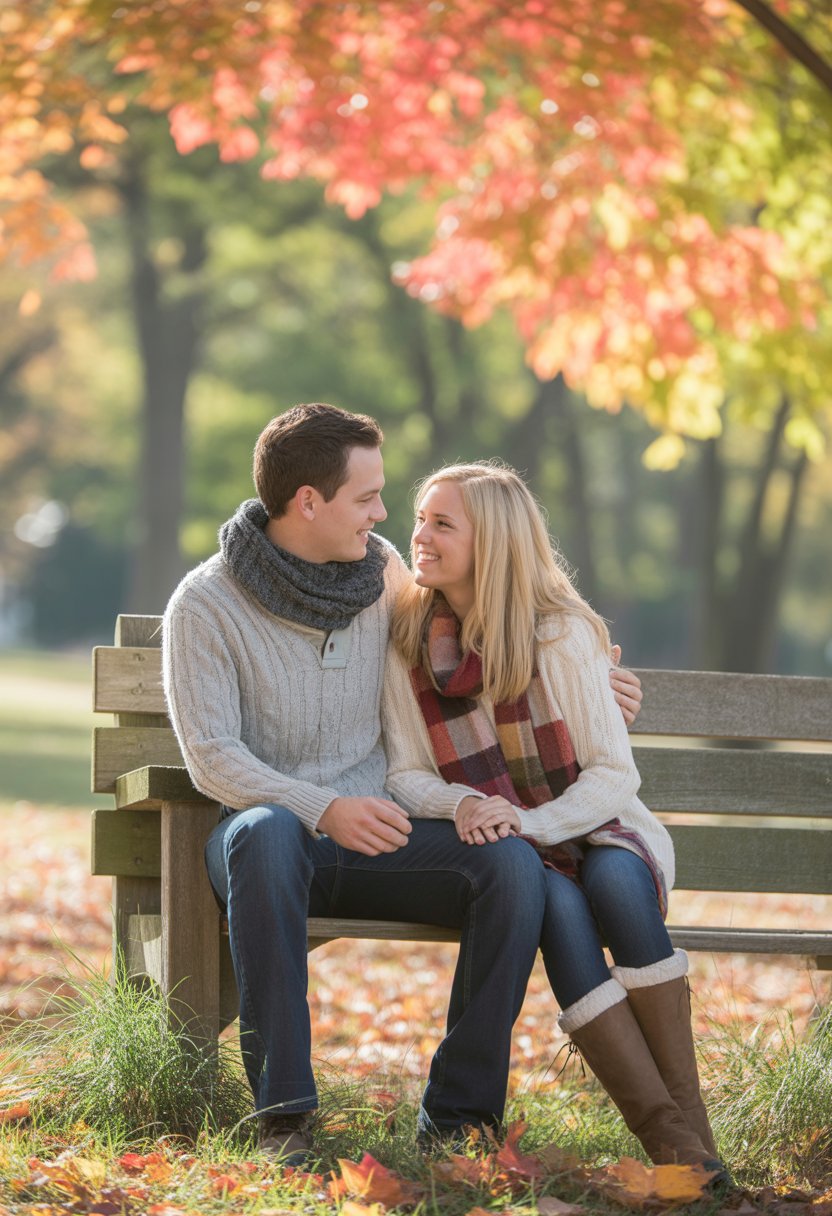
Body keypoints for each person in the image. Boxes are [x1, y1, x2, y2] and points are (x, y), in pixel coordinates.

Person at [162, 404, 642, 1163]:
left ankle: (458, 1118)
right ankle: (285, 1118)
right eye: (366, 498)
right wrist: (323, 808)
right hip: (272, 849)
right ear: (308, 502)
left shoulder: (384, 575)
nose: (383, 515)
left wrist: (598, 689)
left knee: (513, 865)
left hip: (387, 839)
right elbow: (212, 758)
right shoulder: (206, 604)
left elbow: (485, 645)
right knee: (268, 830)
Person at [382, 461, 727, 1175]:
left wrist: (531, 823)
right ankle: (675, 1147)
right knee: (561, 911)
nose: (419, 534)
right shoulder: (410, 641)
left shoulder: (560, 634)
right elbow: (406, 774)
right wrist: (467, 804)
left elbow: (614, 774)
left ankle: (693, 1140)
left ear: (495, 541)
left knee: (614, 889)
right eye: (419, 517)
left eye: (441, 522)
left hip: (599, 825)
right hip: (515, 850)